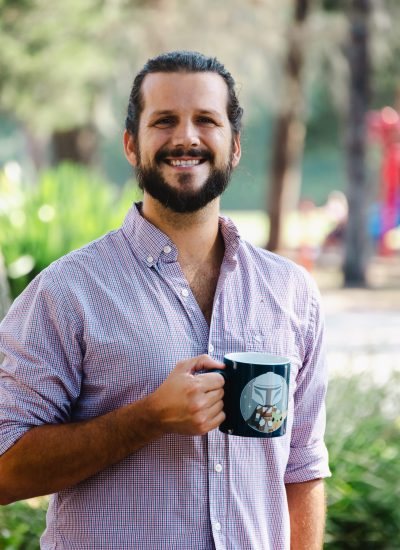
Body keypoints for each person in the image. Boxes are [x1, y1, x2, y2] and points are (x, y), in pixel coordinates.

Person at [0, 51, 330, 550]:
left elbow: (302, 467)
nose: (186, 138)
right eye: (165, 121)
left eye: (206, 120)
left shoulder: (291, 291)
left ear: (235, 145)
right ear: (132, 145)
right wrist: (148, 418)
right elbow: (5, 471)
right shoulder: (67, 291)